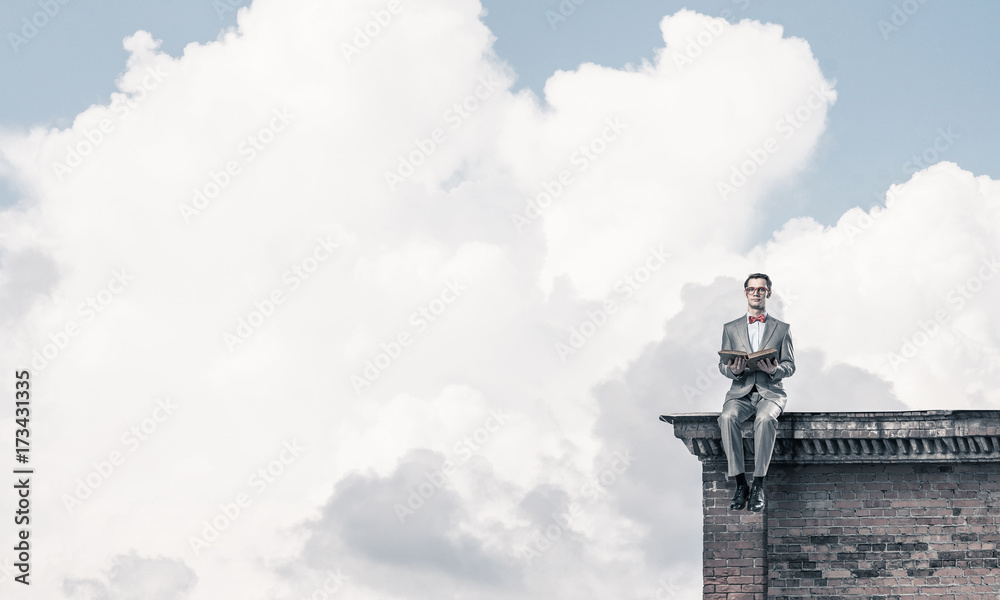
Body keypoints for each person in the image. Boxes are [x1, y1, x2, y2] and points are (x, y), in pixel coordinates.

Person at [717, 273, 795, 512]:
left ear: (768, 293)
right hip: (740, 393)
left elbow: (790, 365)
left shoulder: (782, 329)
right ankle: (741, 484)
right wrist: (735, 371)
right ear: (745, 293)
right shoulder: (730, 328)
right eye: (752, 289)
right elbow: (722, 366)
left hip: (770, 392)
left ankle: (759, 484)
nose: (756, 293)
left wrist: (775, 370)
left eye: (761, 290)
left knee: (765, 419)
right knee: (727, 418)